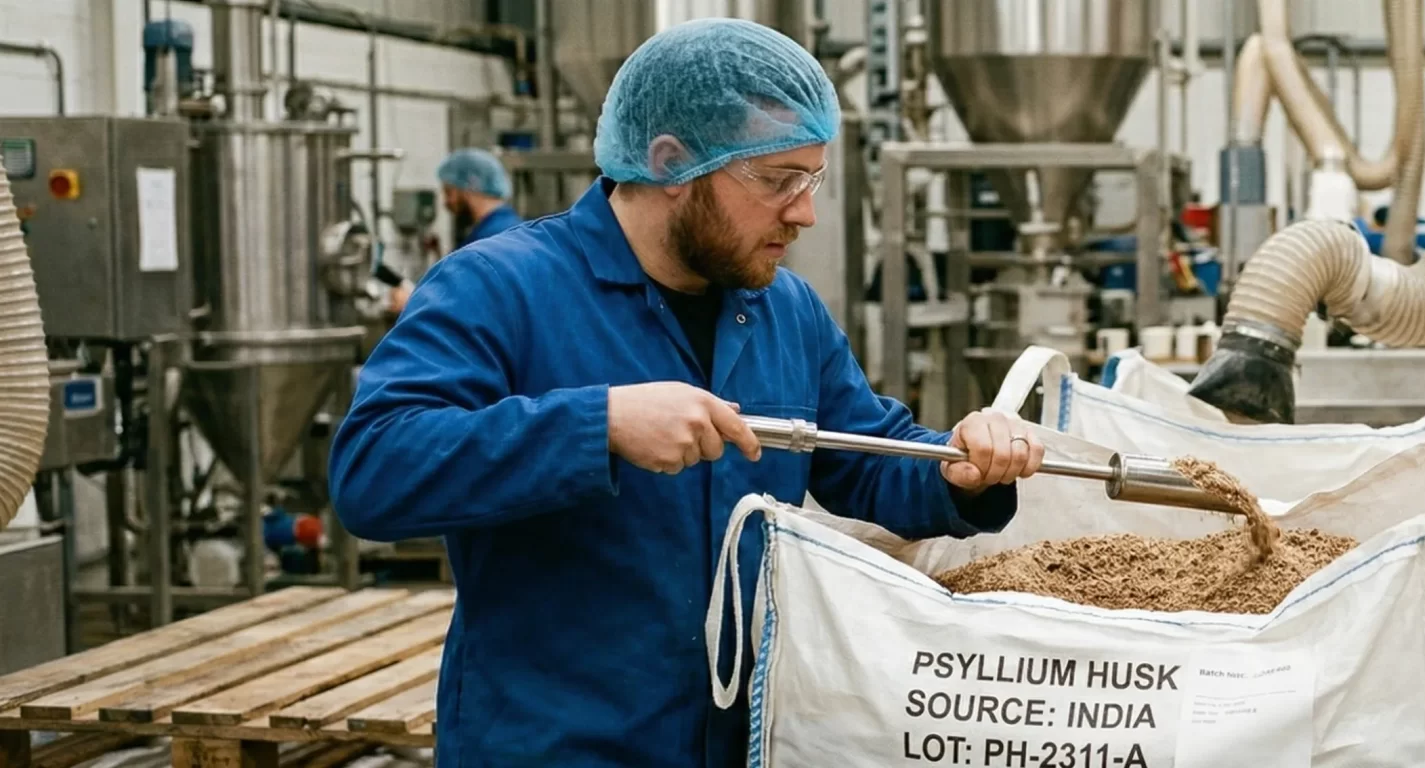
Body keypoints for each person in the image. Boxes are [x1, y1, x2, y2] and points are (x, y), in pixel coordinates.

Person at [328, 19, 1045, 766]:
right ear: (671, 161)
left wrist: (955, 468)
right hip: (555, 747)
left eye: (812, 180)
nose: (804, 212)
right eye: (778, 181)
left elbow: (865, 454)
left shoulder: (783, 309)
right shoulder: (500, 286)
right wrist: (599, 424)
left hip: (737, 744)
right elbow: (373, 469)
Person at [382, 148, 526, 315]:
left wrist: (414, 302)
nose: (446, 203)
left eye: (449, 192)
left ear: (470, 187)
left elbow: (469, 305)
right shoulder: (508, 228)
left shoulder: (491, 241)